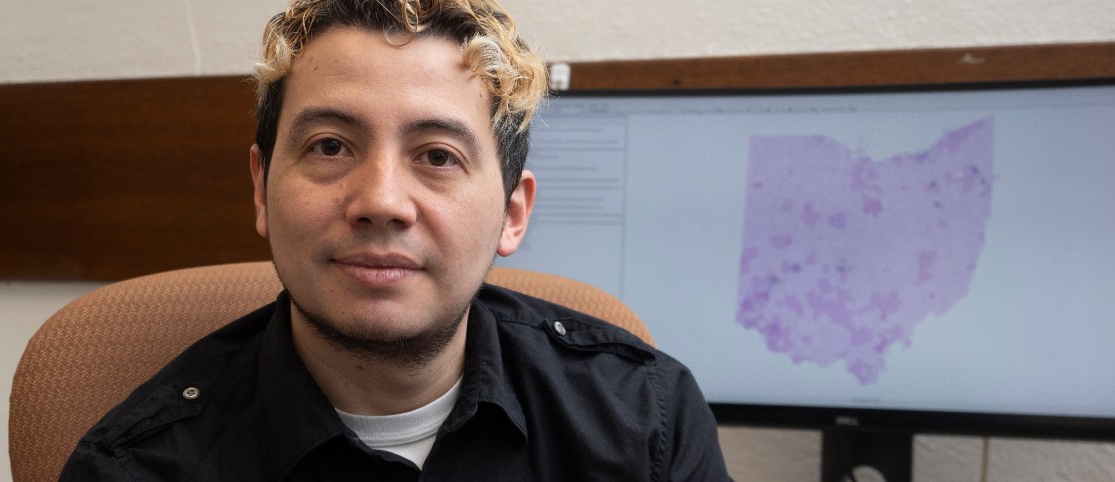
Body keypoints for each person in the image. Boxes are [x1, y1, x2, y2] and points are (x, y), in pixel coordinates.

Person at [60, 0, 731, 480]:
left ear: (513, 213)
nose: (380, 201)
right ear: (262, 189)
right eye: (330, 146)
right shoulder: (135, 467)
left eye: (437, 156)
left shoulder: (648, 423)